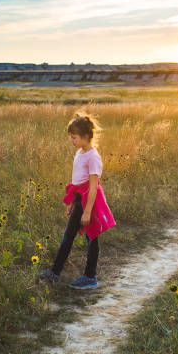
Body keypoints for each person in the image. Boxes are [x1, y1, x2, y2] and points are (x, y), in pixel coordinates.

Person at [39, 112, 116, 289]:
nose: (72, 141)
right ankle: (62, 273)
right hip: (79, 199)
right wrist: (72, 203)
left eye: (74, 138)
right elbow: (77, 181)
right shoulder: (80, 152)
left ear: (86, 137)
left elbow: (93, 186)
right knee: (82, 237)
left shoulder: (93, 157)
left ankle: (83, 276)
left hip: (90, 201)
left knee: (87, 237)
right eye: (71, 137)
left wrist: (87, 211)